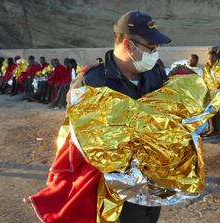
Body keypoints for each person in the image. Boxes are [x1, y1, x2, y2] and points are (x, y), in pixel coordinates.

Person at [31, 11, 171, 223]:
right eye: (151, 47)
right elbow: (75, 139)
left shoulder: (156, 73)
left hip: (151, 177)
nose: (155, 53)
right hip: (112, 186)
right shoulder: (91, 82)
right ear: (128, 45)